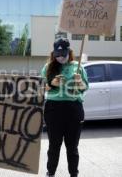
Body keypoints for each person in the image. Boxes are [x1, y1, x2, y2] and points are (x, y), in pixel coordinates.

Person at [41, 38, 89, 177]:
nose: (60, 57)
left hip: (73, 109)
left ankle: (74, 173)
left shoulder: (78, 67)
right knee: (54, 146)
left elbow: (85, 88)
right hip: (53, 109)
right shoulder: (48, 67)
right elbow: (40, 87)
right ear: (54, 53)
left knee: (72, 147)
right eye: (57, 54)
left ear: (69, 52)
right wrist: (53, 83)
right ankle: (50, 173)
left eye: (63, 54)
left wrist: (79, 81)